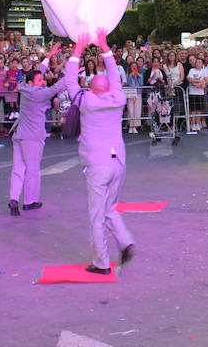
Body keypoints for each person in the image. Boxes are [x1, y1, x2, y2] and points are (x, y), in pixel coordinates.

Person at [65, 29, 134, 275]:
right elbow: (115, 76)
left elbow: (70, 82)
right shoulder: (117, 98)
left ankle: (102, 262)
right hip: (119, 161)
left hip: (96, 162)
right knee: (111, 208)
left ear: (90, 88)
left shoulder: (85, 101)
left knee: (96, 215)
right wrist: (105, 49)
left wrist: (76, 51)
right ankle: (125, 241)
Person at [7, 43, 63, 216]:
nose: (42, 82)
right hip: (32, 137)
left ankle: (14, 198)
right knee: (32, 170)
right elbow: (56, 88)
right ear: (32, 82)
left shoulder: (24, 87)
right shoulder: (39, 93)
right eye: (40, 81)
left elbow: (37, 70)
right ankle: (30, 201)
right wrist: (71, 74)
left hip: (19, 134)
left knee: (18, 168)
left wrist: (49, 56)